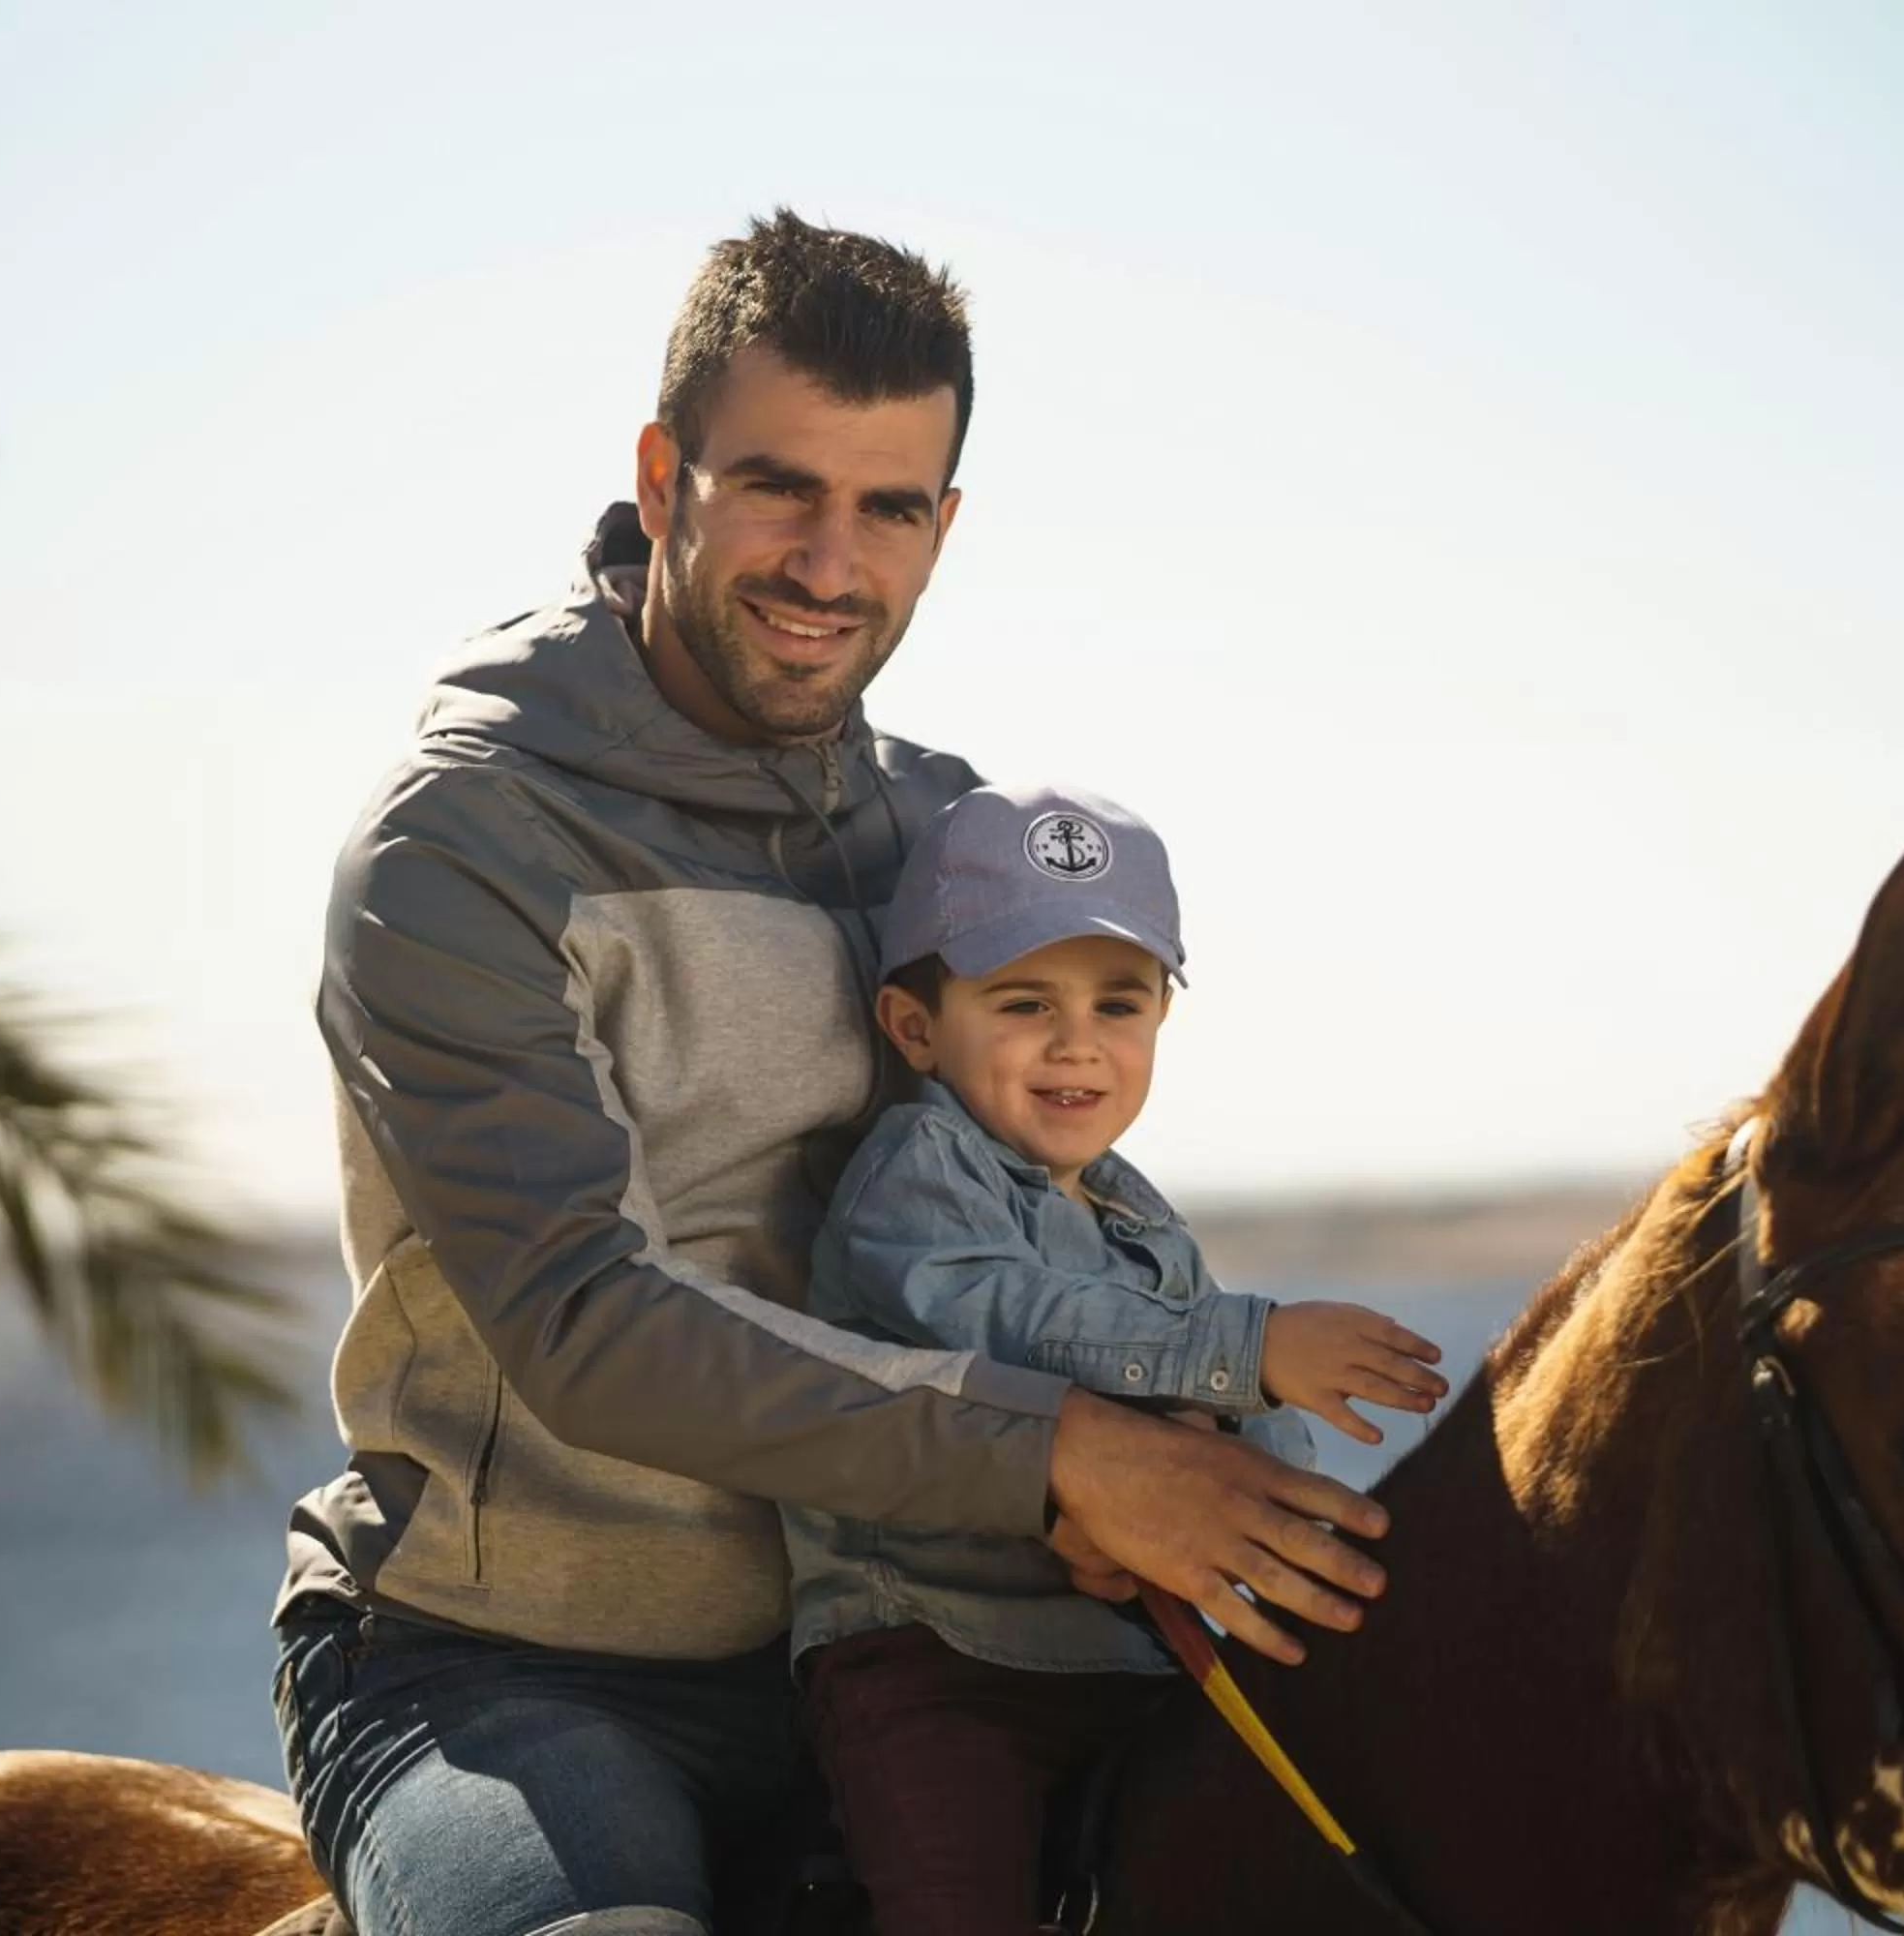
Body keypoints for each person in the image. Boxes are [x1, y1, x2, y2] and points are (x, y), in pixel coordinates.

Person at [272, 211, 1399, 1936]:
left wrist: (1149, 1469)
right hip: (515, 1673)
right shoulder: (464, 848)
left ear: (944, 529)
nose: (828, 563)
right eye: (779, 489)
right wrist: (1059, 1460)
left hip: (907, 1633)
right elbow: (587, 1324)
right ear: (665, 478)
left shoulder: (949, 835)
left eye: (888, 508)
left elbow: (1027, 1238)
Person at [782, 783, 1448, 1936]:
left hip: (1131, 1665)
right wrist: (1251, 1348)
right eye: (1024, 1000)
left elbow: (1246, 1435)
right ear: (915, 1026)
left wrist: (1239, 1436)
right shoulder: (918, 1170)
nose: (1078, 1040)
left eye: (1120, 1001)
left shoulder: (1146, 1221)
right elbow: (1006, 1320)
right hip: (941, 1662)